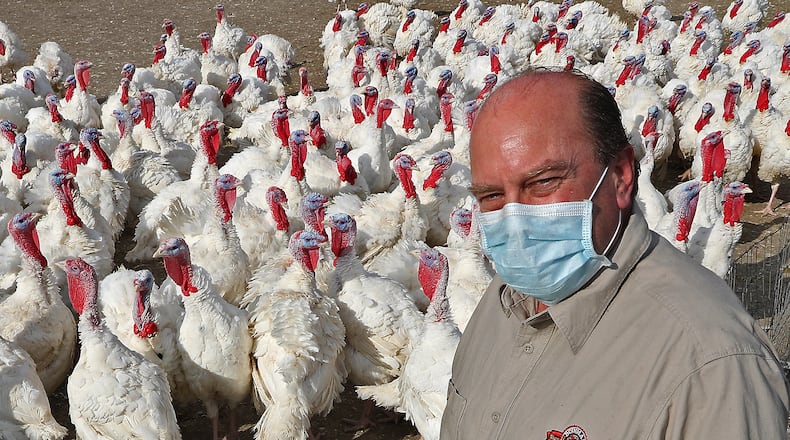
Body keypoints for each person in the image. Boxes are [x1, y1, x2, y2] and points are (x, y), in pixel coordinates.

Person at [440, 68, 790, 439]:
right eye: (491, 195)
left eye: (543, 182)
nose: (515, 220)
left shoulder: (710, 365)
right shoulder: (502, 297)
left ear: (621, 175)